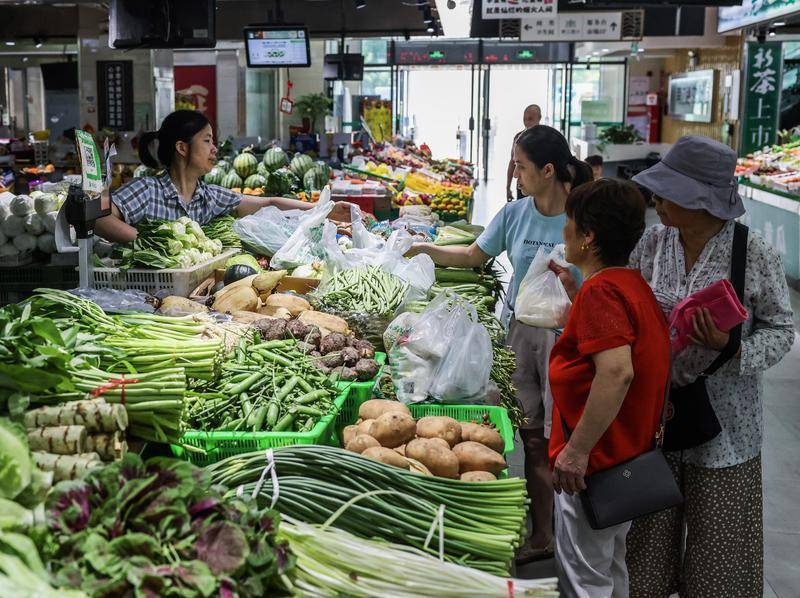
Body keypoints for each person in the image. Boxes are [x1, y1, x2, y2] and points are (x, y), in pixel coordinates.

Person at [408, 125, 593, 562]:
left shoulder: (583, 214)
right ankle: (542, 535)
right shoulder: (514, 214)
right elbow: (475, 255)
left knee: (564, 441)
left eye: (522, 165)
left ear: (548, 170)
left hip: (570, 340)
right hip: (519, 337)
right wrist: (424, 250)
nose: (515, 172)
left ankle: (575, 539)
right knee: (530, 438)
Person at [622, 136, 795, 597]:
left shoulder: (751, 252)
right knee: (645, 552)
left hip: (726, 427)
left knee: (720, 559)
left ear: (701, 201)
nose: (656, 201)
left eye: (667, 192)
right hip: (655, 419)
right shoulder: (654, 243)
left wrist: (731, 346)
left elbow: (781, 329)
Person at [547, 178, 670, 597]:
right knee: (610, 568)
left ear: (588, 236)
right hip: (625, 458)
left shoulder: (603, 293)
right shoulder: (630, 285)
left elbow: (617, 372)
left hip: (596, 464)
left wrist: (576, 452)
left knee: (585, 578)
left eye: (569, 222)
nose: (563, 231)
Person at [94, 110, 347, 243]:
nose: (214, 149)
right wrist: (151, 243)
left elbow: (268, 203)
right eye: (206, 141)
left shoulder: (208, 196)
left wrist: (322, 209)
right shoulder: (147, 190)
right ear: (182, 148)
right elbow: (99, 219)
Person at [506, 104, 542, 201]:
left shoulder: (545, 139)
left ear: (539, 118)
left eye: (530, 119)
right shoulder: (518, 137)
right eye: (524, 119)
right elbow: (512, 163)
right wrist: (508, 187)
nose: (527, 122)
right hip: (523, 185)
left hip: (540, 187)